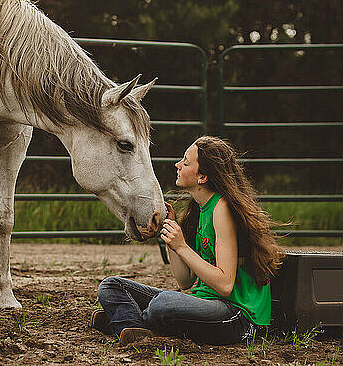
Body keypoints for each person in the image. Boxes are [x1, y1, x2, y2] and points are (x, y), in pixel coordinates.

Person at [92, 136, 285, 345]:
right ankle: (132, 325)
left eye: (185, 162)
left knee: (163, 304)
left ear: (202, 176)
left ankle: (125, 322)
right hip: (206, 302)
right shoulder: (199, 209)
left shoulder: (222, 209)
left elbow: (225, 285)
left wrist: (182, 247)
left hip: (238, 316)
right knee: (111, 286)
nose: (177, 164)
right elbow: (185, 281)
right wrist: (171, 238)